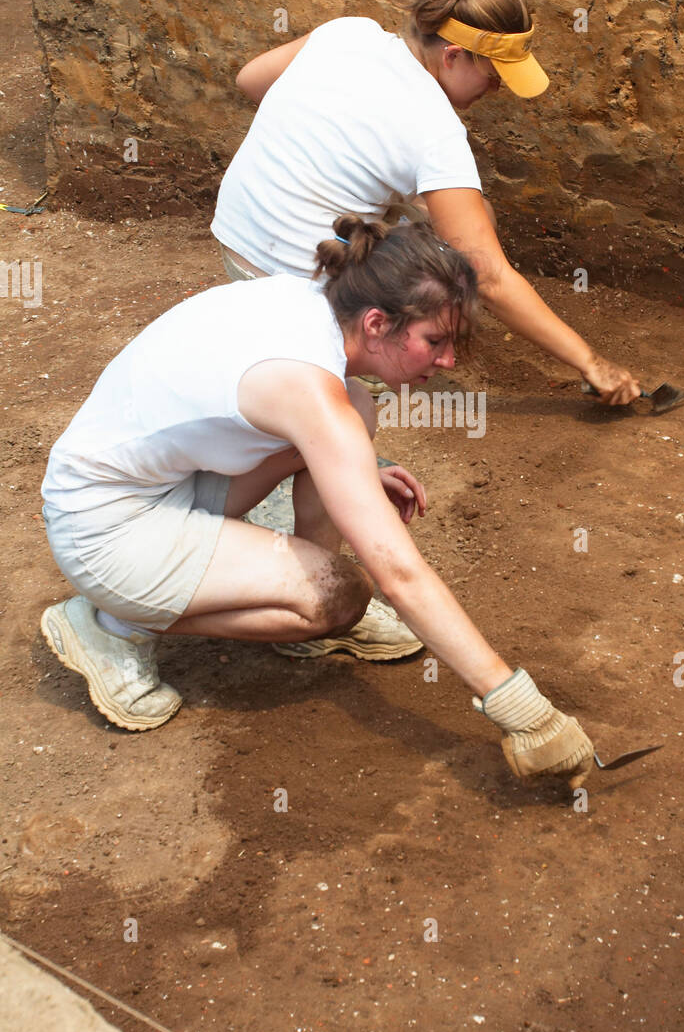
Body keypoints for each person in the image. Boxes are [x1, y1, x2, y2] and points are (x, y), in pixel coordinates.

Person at [38, 217, 594, 788]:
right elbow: (401, 574)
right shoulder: (307, 387)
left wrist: (358, 470)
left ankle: (286, 604)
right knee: (342, 593)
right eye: (435, 340)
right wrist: (522, 711)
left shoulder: (313, 309)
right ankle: (112, 624)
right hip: (104, 528)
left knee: (358, 410)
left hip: (160, 484)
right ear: (377, 323)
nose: (448, 361)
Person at [211, 0, 641, 405]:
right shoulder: (436, 130)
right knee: (465, 245)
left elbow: (250, 80)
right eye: (494, 77)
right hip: (304, 290)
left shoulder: (347, 32)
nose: (496, 92)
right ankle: (362, 362)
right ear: (454, 55)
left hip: (237, 248)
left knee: (457, 212)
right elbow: (488, 274)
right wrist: (589, 361)